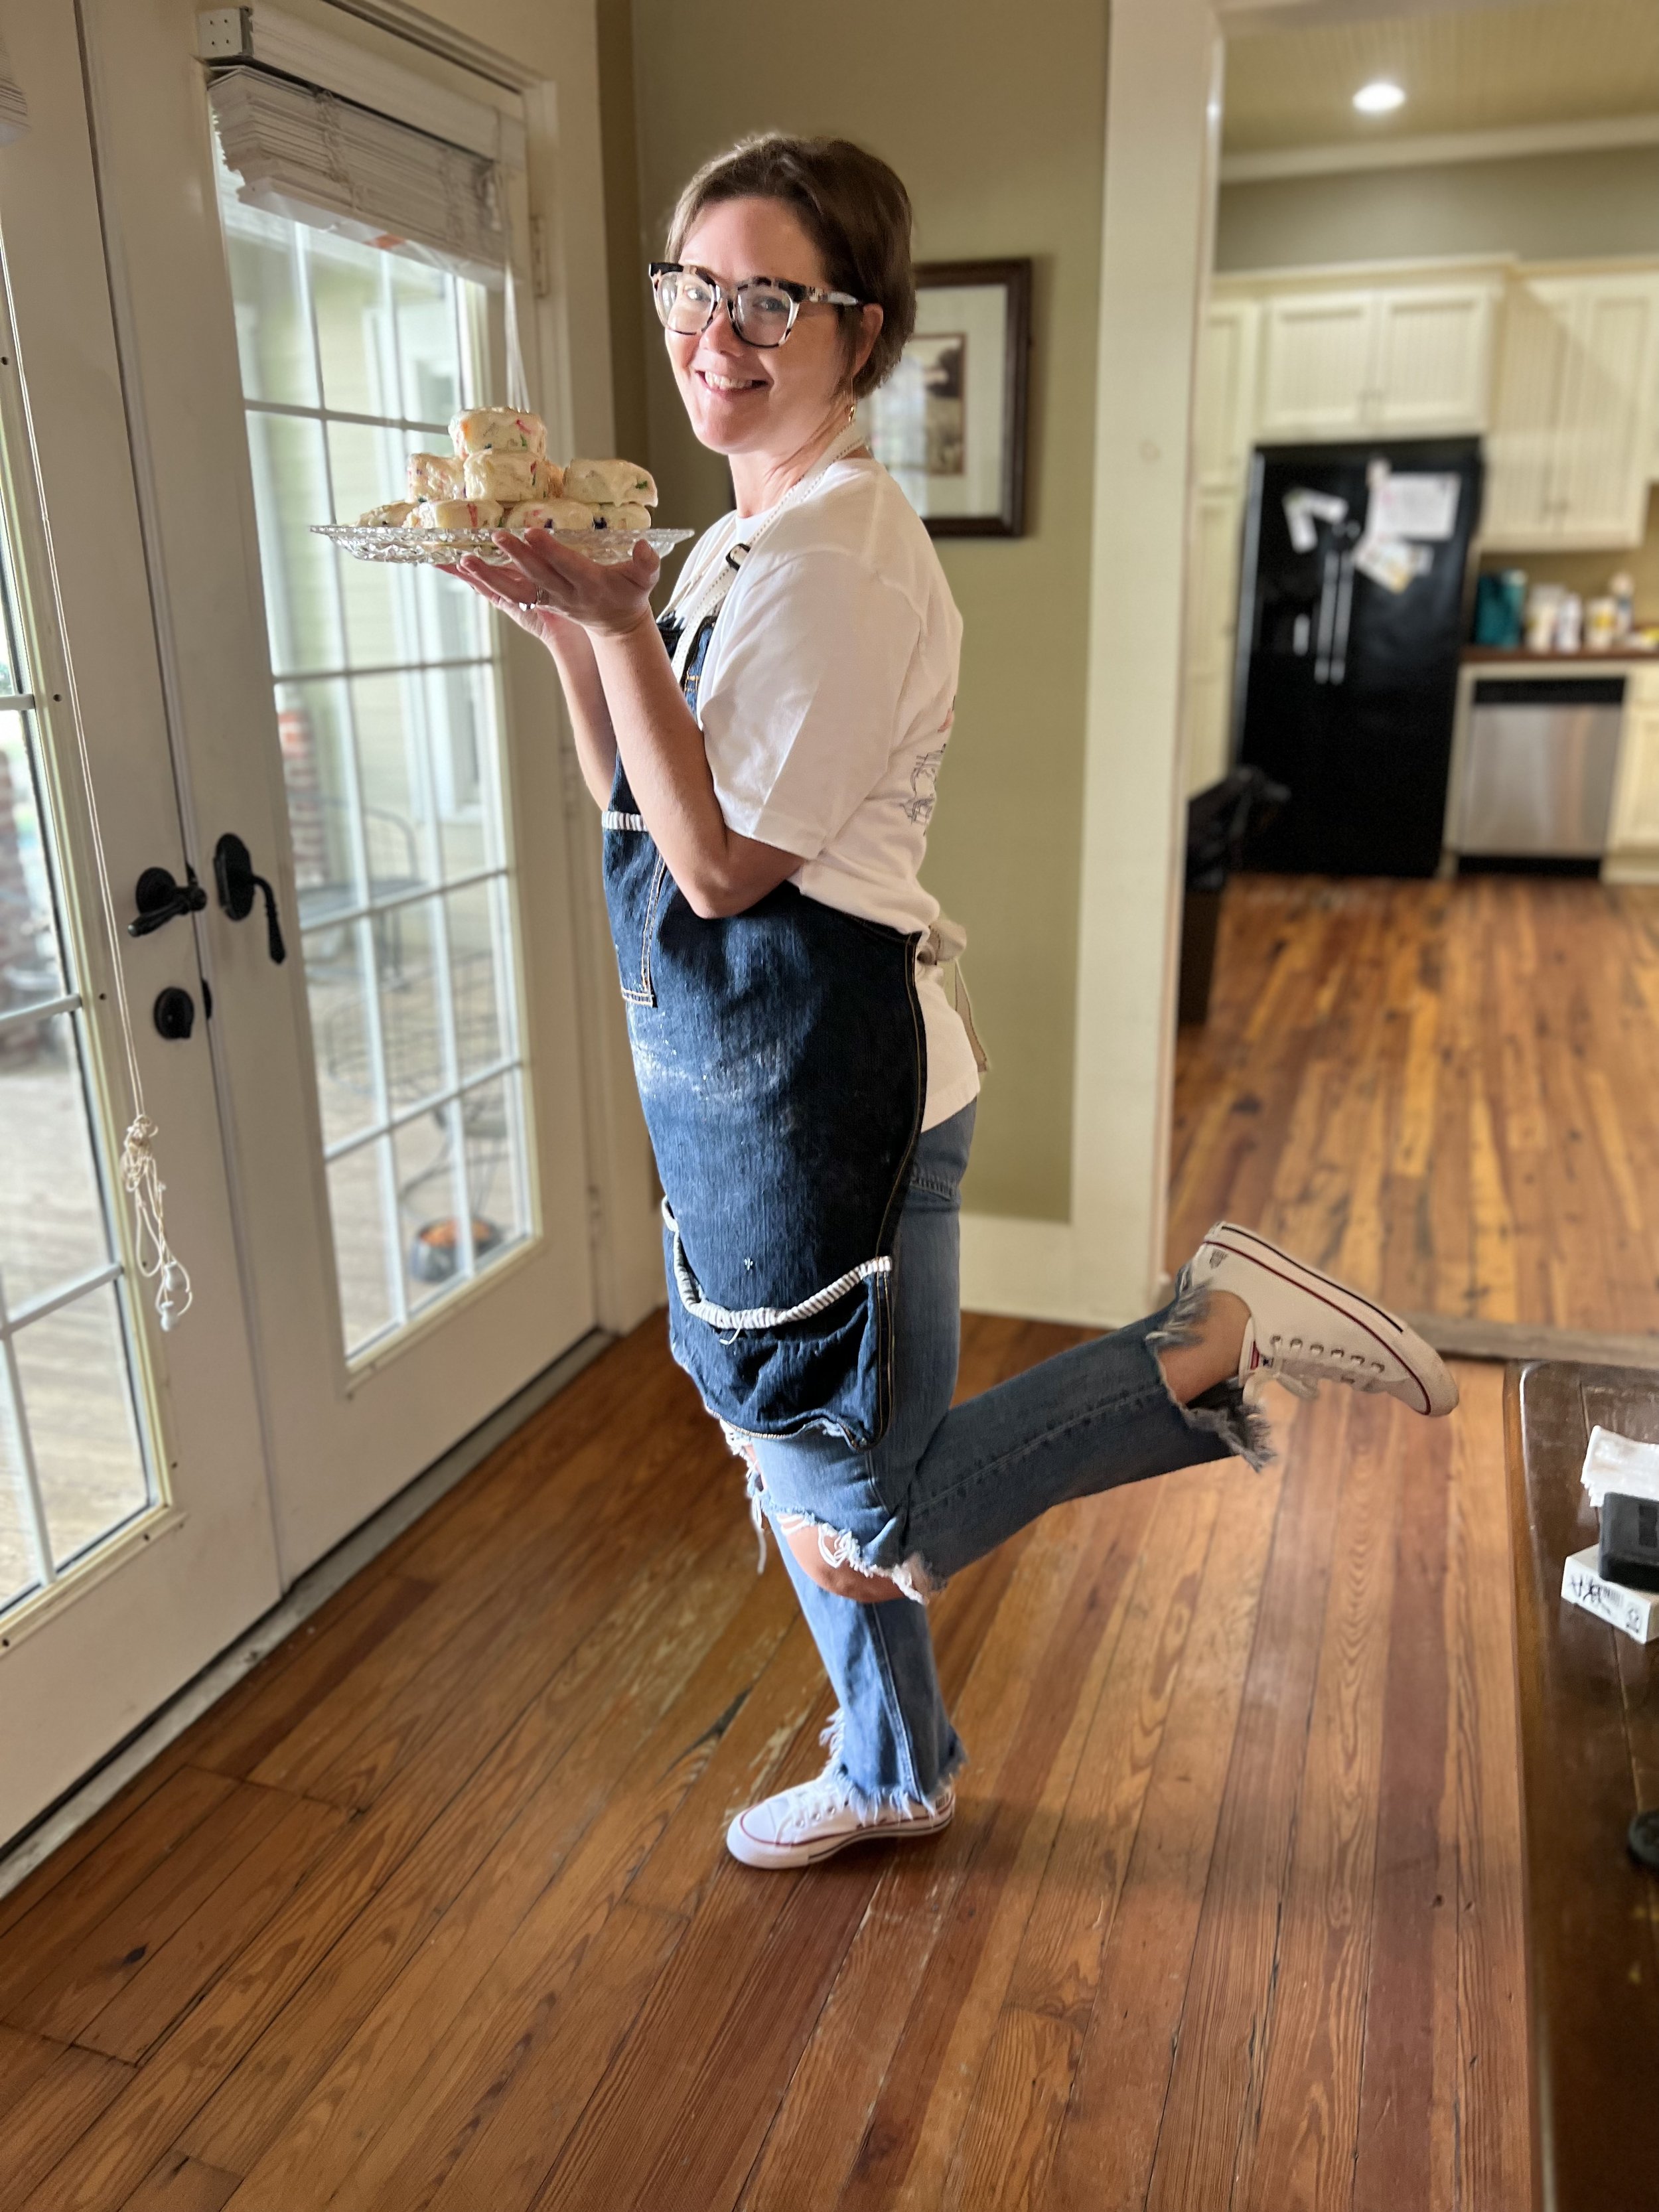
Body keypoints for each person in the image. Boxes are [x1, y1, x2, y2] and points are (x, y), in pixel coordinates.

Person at [450, 133, 1457, 1872]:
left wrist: (613, 625)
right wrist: (571, 630)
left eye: (769, 295)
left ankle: (1204, 1338)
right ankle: (895, 1764)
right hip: (738, 1077)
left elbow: (714, 870)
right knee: (798, 1466)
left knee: (869, 1502)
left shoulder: (836, 555)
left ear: (863, 327)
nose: (715, 330)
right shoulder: (733, 544)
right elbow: (633, 795)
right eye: (693, 286)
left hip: (829, 1089)